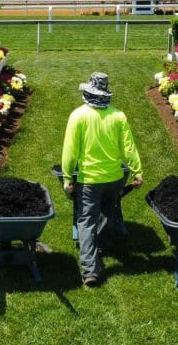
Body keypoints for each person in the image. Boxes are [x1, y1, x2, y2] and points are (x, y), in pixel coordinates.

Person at [61, 72, 143, 287]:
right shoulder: (118, 116)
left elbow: (70, 151)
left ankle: (90, 269)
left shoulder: (78, 116)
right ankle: (100, 247)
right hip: (115, 178)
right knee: (107, 213)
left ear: (88, 93)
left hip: (90, 180)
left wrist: (68, 176)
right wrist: (136, 171)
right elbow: (129, 147)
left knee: (86, 221)